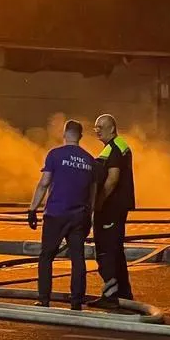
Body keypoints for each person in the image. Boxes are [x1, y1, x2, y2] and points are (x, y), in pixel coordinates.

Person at [28, 119, 96, 310]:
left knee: (47, 256)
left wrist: (32, 209)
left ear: (64, 134)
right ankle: (76, 301)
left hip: (56, 214)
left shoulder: (55, 155)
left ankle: (43, 298)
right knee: (77, 258)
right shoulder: (90, 160)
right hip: (79, 216)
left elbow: (44, 183)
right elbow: (92, 193)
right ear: (81, 136)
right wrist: (89, 216)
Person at [91, 113, 135, 308]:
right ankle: (123, 293)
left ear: (112, 128)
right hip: (118, 207)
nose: (97, 130)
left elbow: (112, 179)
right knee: (116, 251)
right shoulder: (119, 146)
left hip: (110, 208)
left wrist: (98, 202)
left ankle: (111, 296)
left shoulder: (114, 148)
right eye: (95, 127)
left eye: (101, 126)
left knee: (106, 250)